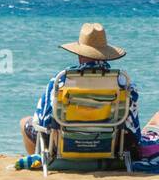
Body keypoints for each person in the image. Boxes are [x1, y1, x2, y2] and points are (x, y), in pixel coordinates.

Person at [19, 23, 141, 155]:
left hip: (66, 143)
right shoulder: (123, 81)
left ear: (79, 54)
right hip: (110, 143)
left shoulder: (62, 80)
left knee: (25, 122)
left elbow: (45, 119)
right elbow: (130, 121)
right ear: (105, 53)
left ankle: (37, 160)